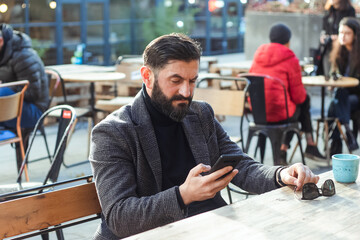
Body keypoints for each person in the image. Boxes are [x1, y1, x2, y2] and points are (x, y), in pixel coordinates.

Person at [89, 33, 320, 239]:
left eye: (192, 81)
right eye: (176, 80)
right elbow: (119, 218)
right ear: (147, 76)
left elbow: (242, 167)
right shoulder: (112, 132)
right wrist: (182, 195)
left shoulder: (200, 113)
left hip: (207, 225)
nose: (186, 92)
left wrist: (282, 174)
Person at [249, 23, 326, 164]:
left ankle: (292, 149)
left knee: (296, 108)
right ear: (288, 41)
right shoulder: (290, 58)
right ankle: (308, 145)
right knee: (303, 104)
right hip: (280, 115)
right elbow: (298, 97)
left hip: (258, 114)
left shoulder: (258, 55)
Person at [0, 23, 48, 129]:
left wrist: (5, 87)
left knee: (2, 92)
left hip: (35, 111)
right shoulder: (3, 54)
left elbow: (32, 93)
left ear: (1, 41)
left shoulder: (24, 56)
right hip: (12, 107)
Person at [328, 17, 360, 155]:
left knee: (335, 104)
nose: (343, 36)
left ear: (355, 35)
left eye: (347, 33)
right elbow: (332, 72)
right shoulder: (338, 51)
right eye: (341, 32)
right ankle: (348, 131)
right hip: (343, 95)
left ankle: (335, 145)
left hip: (357, 95)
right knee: (338, 98)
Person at [319, 0, 355, 76]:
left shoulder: (349, 10)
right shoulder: (329, 10)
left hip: (342, 47)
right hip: (328, 48)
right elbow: (324, 28)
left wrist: (339, 36)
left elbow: (351, 27)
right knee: (328, 76)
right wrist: (323, 36)